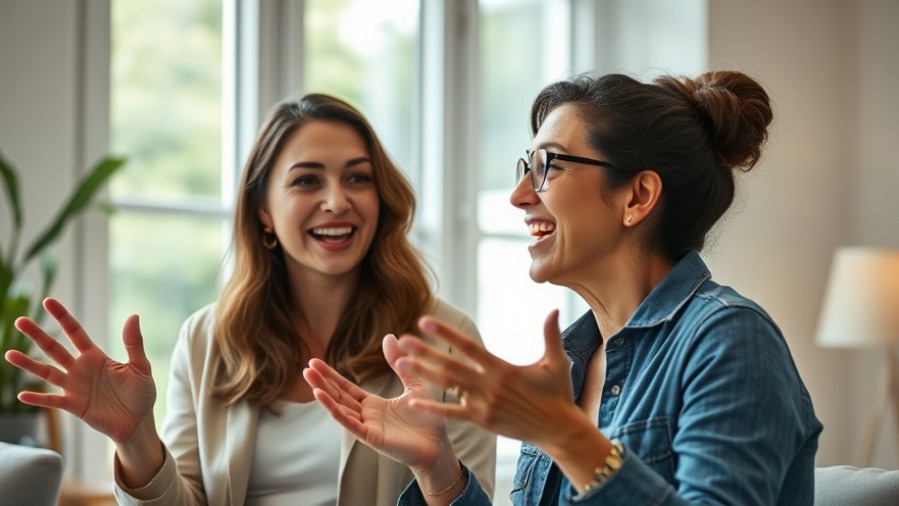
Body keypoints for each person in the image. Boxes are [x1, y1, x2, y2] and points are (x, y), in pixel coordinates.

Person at [303, 71, 823, 505]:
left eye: (547, 165)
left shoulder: (729, 339)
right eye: (524, 168)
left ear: (637, 196)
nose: (518, 195)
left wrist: (564, 435)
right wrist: (439, 469)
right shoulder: (571, 364)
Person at [5, 93, 496, 505]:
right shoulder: (206, 339)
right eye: (307, 180)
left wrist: (437, 468)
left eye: (358, 178)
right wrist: (135, 440)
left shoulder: (449, 341)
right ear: (262, 209)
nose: (336, 200)